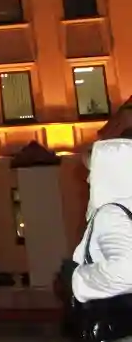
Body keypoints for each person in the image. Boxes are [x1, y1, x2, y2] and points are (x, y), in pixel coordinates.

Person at [69, 135, 132, 340]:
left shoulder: (112, 213)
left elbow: (127, 272)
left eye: (92, 171)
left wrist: (79, 278)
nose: (88, 180)